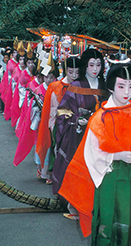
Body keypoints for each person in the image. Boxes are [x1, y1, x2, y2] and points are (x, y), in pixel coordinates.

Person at [89, 63, 131, 246]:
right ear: (111, 86)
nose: (127, 92)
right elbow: (92, 152)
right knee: (107, 221)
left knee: (130, 219)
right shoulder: (100, 117)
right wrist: (118, 156)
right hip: (109, 175)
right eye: (121, 86)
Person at [51, 48, 109, 196]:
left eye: (98, 64)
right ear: (85, 65)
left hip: (101, 136)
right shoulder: (76, 85)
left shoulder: (105, 86)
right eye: (91, 65)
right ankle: (75, 198)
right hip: (78, 136)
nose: (95, 69)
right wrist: (77, 120)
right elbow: (62, 111)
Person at [13, 54, 59, 186]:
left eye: (52, 77)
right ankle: (42, 170)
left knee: (53, 146)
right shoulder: (38, 89)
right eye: (47, 77)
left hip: (54, 121)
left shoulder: (57, 88)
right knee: (43, 145)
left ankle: (50, 172)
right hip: (41, 122)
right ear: (42, 77)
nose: (49, 79)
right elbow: (30, 105)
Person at [35, 56, 80, 179]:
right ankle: (54, 174)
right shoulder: (55, 87)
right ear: (66, 71)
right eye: (71, 72)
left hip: (76, 123)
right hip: (58, 123)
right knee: (57, 148)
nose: (74, 75)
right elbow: (50, 109)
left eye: (77, 72)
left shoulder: (82, 86)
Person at [11, 43, 36, 127]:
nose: (31, 65)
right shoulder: (23, 74)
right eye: (29, 63)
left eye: (33, 62)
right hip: (26, 96)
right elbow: (20, 87)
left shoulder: (35, 73)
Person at [3, 41, 26, 121]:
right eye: (14, 52)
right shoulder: (12, 65)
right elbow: (11, 78)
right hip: (16, 88)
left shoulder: (26, 69)